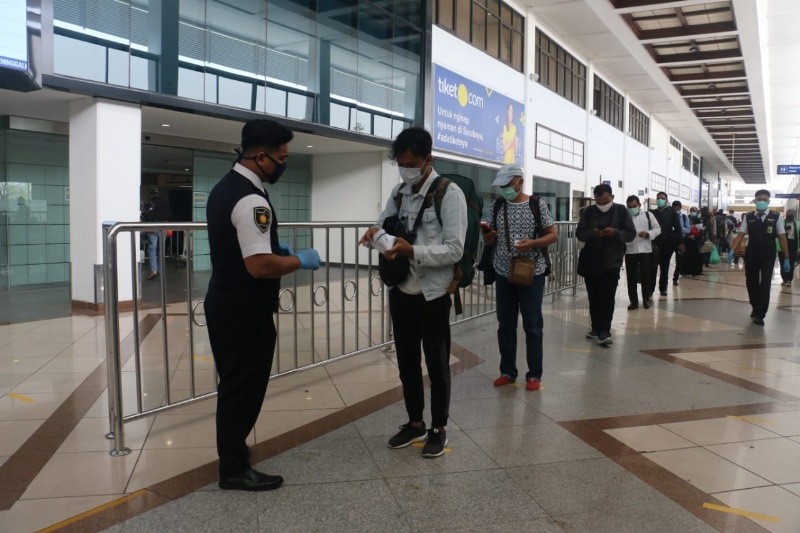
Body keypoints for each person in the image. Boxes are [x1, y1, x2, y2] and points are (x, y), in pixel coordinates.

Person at [205, 119, 321, 491]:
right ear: (260, 156)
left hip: (225, 301)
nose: (283, 165)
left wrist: (274, 249)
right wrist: (298, 260)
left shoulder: (225, 187)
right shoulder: (253, 199)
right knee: (243, 388)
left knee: (235, 383)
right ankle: (234, 469)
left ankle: (233, 452)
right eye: (281, 158)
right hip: (244, 310)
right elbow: (259, 266)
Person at [359, 128, 466, 458]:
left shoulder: (450, 194)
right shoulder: (398, 192)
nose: (405, 169)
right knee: (407, 362)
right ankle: (415, 423)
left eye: (411, 163)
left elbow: (455, 250)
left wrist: (412, 251)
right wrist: (376, 237)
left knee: (436, 364)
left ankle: (438, 427)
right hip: (401, 290)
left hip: (432, 294)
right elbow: (384, 226)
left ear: (427, 160)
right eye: (400, 164)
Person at [482, 164, 557, 391]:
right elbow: (487, 237)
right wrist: (489, 238)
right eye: (501, 186)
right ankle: (507, 371)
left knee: (533, 325)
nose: (504, 189)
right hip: (503, 271)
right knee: (505, 324)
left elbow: (553, 234)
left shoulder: (536, 204)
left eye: (507, 185)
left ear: (519, 182)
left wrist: (533, 243)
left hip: (531, 271)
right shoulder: (496, 206)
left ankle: (534, 374)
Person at [576, 184, 636, 345]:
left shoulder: (621, 211)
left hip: (612, 261)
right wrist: (593, 233)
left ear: (612, 197)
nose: (602, 205)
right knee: (593, 295)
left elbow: (631, 234)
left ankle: (605, 331)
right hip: (592, 260)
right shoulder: (588, 212)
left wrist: (615, 233)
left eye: (605, 201)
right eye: (599, 202)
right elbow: (579, 233)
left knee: (607, 297)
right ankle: (595, 327)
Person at [729, 190, 791, 325]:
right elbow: (740, 234)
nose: (762, 201)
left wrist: (786, 258)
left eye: (765, 199)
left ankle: (761, 314)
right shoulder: (749, 217)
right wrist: (732, 250)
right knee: (751, 282)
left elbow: (781, 237)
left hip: (768, 255)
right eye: (759, 199)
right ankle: (755, 306)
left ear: (768, 202)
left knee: (765, 283)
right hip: (751, 254)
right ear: (755, 201)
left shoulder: (776, 217)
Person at [624, 196, 660, 310]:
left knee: (646, 276)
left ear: (639, 205)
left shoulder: (648, 215)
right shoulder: (625, 217)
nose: (632, 209)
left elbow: (658, 229)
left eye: (634, 206)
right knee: (631, 277)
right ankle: (633, 302)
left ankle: (646, 299)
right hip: (630, 250)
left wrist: (648, 234)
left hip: (646, 249)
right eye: (629, 207)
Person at [650, 192, 684, 294]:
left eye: (662, 198)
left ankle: (663, 288)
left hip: (668, 243)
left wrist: (681, 242)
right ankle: (650, 289)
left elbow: (678, 228)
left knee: (665, 266)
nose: (660, 200)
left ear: (666, 200)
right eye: (658, 198)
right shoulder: (652, 213)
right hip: (655, 243)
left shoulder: (672, 212)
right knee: (653, 267)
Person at [141, 187, 171, 280]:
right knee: (161, 249)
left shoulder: (149, 203)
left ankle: (154, 270)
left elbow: (145, 214)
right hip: (163, 227)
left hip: (152, 228)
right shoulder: (164, 202)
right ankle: (160, 270)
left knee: (152, 249)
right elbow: (169, 214)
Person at [673, 201, 690, 284]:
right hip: (670, 241)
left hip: (680, 241)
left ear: (680, 207)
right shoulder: (670, 216)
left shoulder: (684, 217)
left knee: (679, 260)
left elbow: (688, 229)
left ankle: (675, 278)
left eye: (678, 207)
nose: (676, 209)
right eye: (675, 208)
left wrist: (679, 229)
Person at [779, 210, 798, 286]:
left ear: (794, 215)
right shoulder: (781, 223)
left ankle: (789, 279)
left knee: (791, 262)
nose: (790, 215)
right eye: (788, 214)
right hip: (783, 243)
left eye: (791, 214)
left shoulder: (797, 224)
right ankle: (784, 279)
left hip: (793, 243)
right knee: (782, 262)